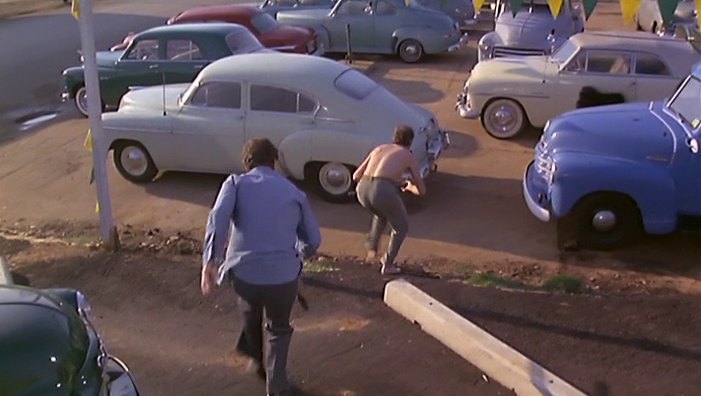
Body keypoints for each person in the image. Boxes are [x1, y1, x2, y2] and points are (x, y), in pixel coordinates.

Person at [201, 138, 321, 396]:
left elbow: (217, 219)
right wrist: (297, 255)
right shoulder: (294, 193)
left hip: (245, 275)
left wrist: (210, 262)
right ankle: (276, 387)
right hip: (283, 278)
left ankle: (253, 351)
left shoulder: (235, 184)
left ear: (247, 163)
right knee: (279, 328)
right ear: (273, 162)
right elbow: (313, 239)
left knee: (249, 304)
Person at [352, 124, 426, 275]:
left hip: (362, 189)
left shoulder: (380, 149)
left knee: (381, 213)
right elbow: (421, 190)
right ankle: (388, 264)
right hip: (382, 191)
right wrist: (408, 186)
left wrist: (392, 181)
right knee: (401, 227)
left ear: (394, 137)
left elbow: (355, 176)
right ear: (410, 141)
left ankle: (372, 246)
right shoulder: (408, 156)